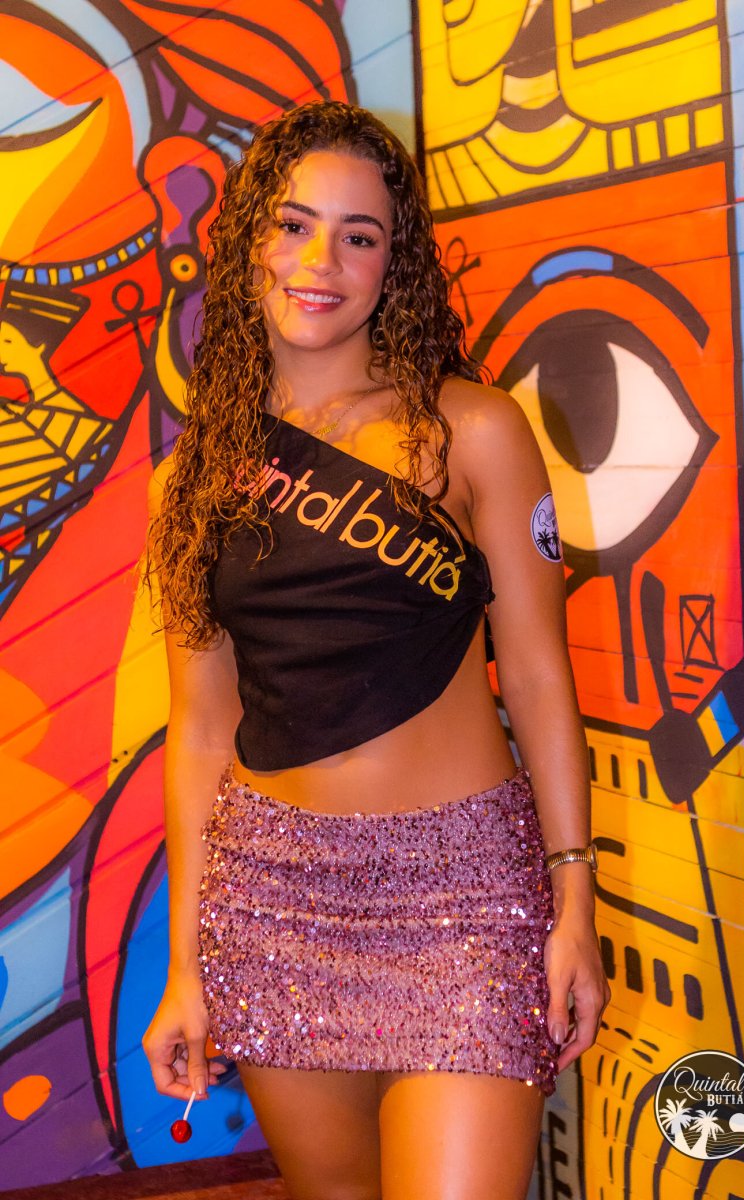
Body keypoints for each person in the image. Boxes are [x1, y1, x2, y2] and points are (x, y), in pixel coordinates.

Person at [142, 100, 609, 1200]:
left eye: (359, 236)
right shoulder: (190, 479)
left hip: (464, 899)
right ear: (250, 243)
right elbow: (200, 730)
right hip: (272, 899)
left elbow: (537, 678)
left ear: (392, 265)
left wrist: (572, 901)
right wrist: (183, 967)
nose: (321, 261)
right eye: (294, 225)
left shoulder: (473, 430)